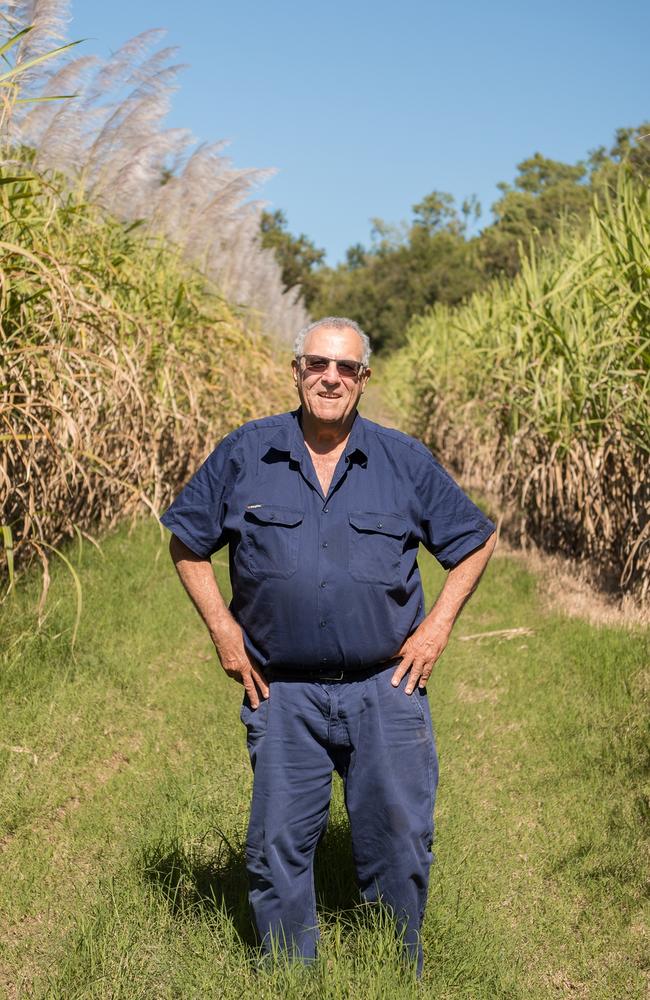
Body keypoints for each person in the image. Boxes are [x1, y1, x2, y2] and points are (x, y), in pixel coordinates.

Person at [160, 316, 496, 974]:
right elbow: (186, 541)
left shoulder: (402, 461)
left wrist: (437, 627)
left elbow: (474, 542)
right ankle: (288, 974)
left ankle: (391, 971)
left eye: (345, 368)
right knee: (277, 843)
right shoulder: (246, 452)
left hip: (385, 686)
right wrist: (223, 629)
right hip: (281, 689)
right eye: (317, 364)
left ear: (364, 380)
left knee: (398, 838)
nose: (330, 378)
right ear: (297, 371)